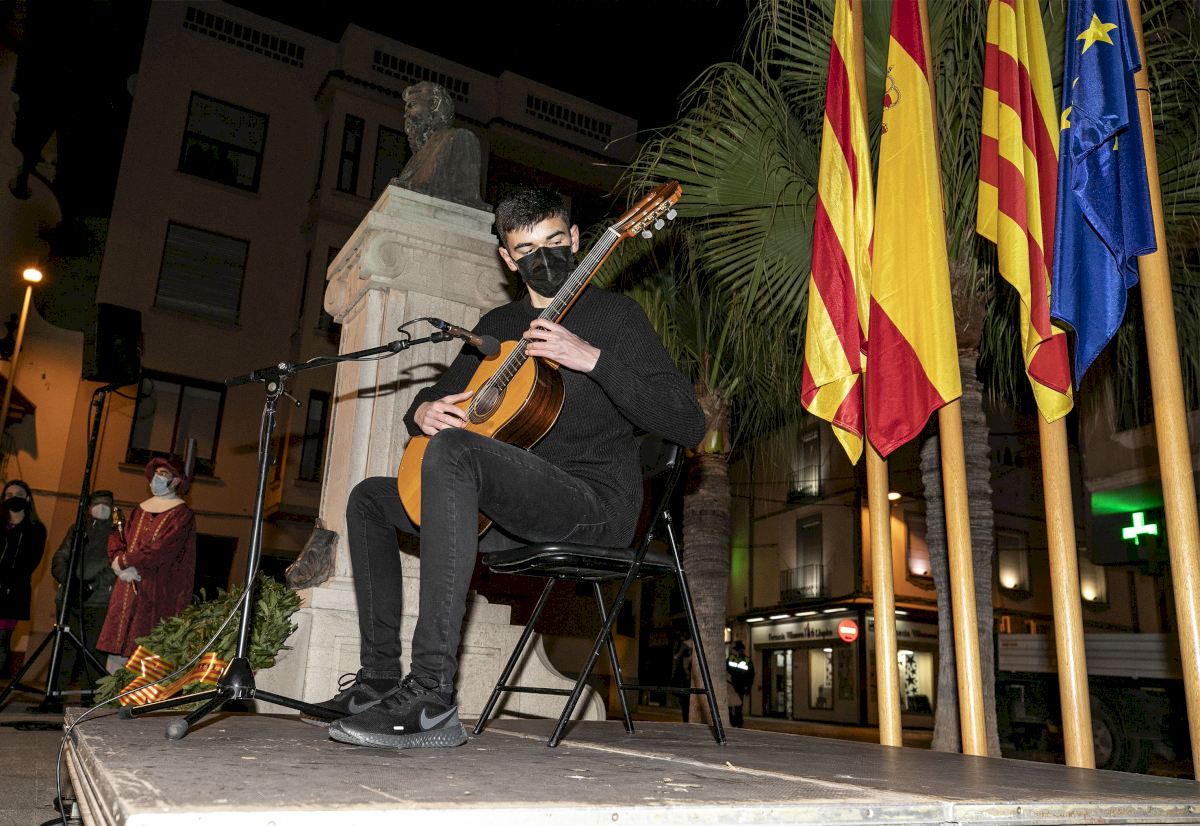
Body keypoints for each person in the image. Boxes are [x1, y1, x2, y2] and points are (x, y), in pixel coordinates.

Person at [312, 185, 706, 750]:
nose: (543, 257)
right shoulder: (498, 323)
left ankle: (432, 694)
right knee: (370, 498)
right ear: (506, 257)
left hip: (593, 507)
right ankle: (376, 681)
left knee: (457, 451)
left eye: (554, 241)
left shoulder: (615, 316)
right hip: (511, 512)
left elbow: (688, 423)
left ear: (575, 239)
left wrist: (590, 359)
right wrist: (422, 411)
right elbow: (437, 398)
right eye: (526, 249)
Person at [96, 459, 196, 671]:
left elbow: (163, 549)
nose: (157, 477)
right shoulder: (139, 510)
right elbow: (120, 538)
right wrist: (118, 564)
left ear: (176, 481)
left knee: (143, 652)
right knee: (116, 649)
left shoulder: (181, 514)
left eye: (164, 473)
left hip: (156, 590)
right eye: (156, 472)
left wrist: (126, 561)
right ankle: (110, 690)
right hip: (126, 588)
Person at [50, 489, 117, 685]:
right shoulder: (77, 530)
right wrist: (70, 581)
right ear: (88, 508)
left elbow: (115, 565)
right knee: (64, 649)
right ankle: (55, 693)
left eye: (106, 504)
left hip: (99, 602)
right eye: (97, 503)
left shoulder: (116, 534)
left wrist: (92, 586)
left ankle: (91, 695)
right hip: (69, 600)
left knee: (94, 652)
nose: (101, 508)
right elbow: (60, 557)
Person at [390, 80, 487, 209]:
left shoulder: (460, 138)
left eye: (412, 105)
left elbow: (465, 201)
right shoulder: (413, 161)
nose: (405, 115)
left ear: (435, 104)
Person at [0, 480, 47, 676]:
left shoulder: (35, 529)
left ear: (27, 498)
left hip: (12, 593)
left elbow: (30, 564)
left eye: (18, 494)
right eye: (9, 495)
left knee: (2, 640)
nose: (13, 498)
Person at [726, 640, 754, 728]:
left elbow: (751, 675)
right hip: (737, 686)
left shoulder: (731, 659)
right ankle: (737, 722)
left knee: (732, 705)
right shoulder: (747, 660)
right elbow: (751, 675)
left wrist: (748, 686)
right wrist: (748, 687)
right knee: (737, 705)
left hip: (733, 685)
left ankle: (734, 721)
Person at [672, 629, 694, 723]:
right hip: (689, 673)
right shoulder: (693, 643)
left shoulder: (685, 644)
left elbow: (677, 656)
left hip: (685, 677)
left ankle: (686, 719)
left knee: (685, 701)